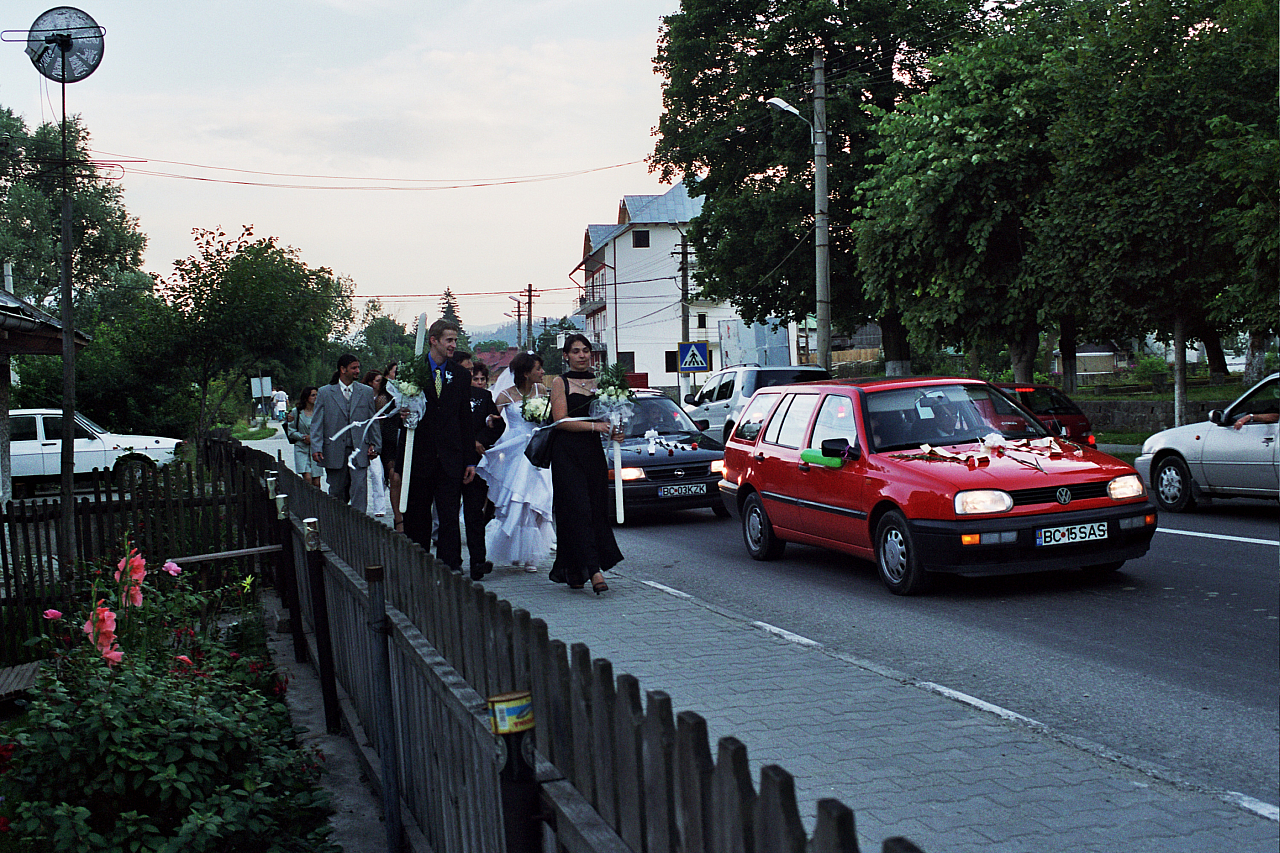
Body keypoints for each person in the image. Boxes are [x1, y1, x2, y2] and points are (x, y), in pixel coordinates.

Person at [547, 334, 623, 594]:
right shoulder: (560, 382)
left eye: (586, 351)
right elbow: (560, 420)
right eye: (576, 351)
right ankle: (594, 571)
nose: (581, 355)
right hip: (566, 451)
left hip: (592, 453)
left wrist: (614, 430)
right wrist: (596, 426)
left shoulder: (602, 383)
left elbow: (610, 417)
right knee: (577, 508)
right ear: (566, 355)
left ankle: (573, 569)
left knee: (595, 509)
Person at [402, 320, 476, 574]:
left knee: (449, 515)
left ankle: (450, 564)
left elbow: (465, 419)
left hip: (450, 456)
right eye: (449, 340)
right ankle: (418, 563)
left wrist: (469, 460)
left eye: (455, 340)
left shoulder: (461, 374)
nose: (454, 345)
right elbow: (397, 414)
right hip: (420, 455)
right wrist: (403, 414)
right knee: (418, 515)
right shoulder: (413, 371)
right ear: (433, 340)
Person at [476, 352, 555, 574]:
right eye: (538, 369)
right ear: (525, 373)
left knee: (541, 498)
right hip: (517, 453)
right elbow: (490, 418)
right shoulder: (505, 396)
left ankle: (532, 553)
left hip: (539, 451)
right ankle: (520, 552)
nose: (542, 373)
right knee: (519, 501)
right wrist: (489, 423)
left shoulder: (541, 391)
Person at [453, 353, 507, 580]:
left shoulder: (483, 396)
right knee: (448, 516)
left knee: (475, 514)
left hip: (476, 463)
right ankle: (452, 561)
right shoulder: (442, 396)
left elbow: (498, 424)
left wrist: (481, 441)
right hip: (450, 461)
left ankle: (478, 561)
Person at [310, 354, 381, 512]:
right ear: (342, 370)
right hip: (334, 450)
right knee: (337, 491)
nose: (357, 371)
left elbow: (373, 420)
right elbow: (317, 423)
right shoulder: (325, 393)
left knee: (359, 490)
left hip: (359, 450)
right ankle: (337, 526)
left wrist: (375, 444)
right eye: (353, 368)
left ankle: (359, 527)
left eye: (358, 367)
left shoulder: (366, 392)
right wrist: (316, 447)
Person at [362, 369, 394, 518]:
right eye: (377, 381)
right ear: (370, 382)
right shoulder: (365, 397)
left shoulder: (385, 398)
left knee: (380, 473)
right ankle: (378, 506)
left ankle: (380, 507)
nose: (380, 383)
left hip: (384, 439)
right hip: (370, 439)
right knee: (375, 474)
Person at [382, 361, 406, 531]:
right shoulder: (385, 397)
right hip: (390, 441)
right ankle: (398, 518)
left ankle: (408, 514)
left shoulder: (414, 395)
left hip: (407, 440)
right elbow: (380, 423)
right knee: (394, 477)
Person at [286, 386, 322, 487]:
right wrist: (303, 437)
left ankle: (317, 501)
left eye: (317, 395)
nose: (316, 397)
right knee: (307, 478)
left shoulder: (320, 411)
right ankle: (307, 501)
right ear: (306, 397)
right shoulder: (296, 412)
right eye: (313, 395)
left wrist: (315, 438)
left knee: (316, 482)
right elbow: (291, 431)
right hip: (301, 448)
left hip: (316, 449)